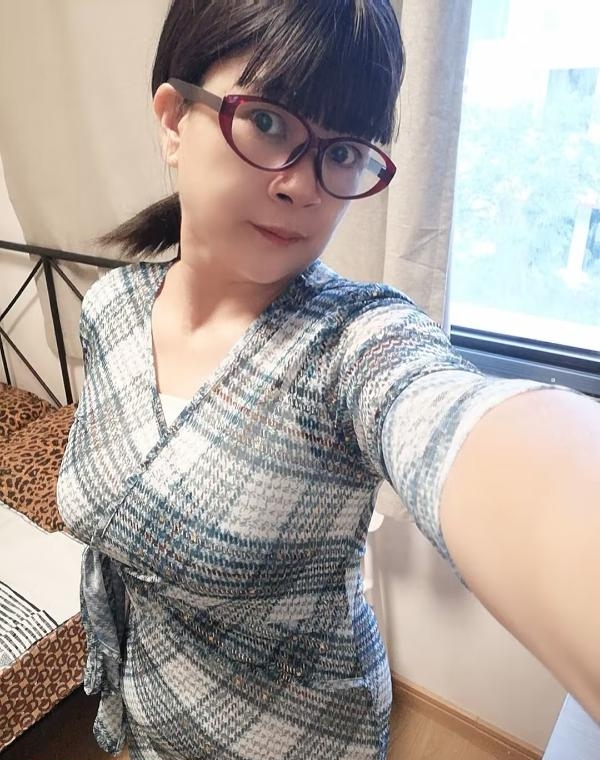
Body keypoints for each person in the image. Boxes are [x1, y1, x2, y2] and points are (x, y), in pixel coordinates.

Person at [56, 1, 600, 758]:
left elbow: (452, 419)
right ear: (175, 121)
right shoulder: (110, 308)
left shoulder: (351, 344)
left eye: (342, 150)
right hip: (151, 718)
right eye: (268, 122)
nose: (304, 188)